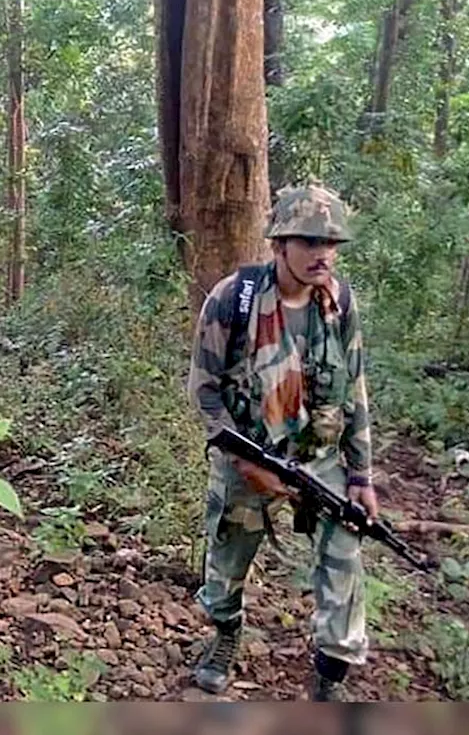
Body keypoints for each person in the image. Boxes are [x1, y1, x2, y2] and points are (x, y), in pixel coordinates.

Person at [185, 183, 377, 702]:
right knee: (227, 561)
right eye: (310, 242)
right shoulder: (234, 299)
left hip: (319, 459)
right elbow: (203, 392)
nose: (323, 255)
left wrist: (361, 476)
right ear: (278, 245)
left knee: (344, 555)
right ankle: (224, 635)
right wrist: (244, 463)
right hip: (248, 453)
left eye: (331, 244)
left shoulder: (340, 304)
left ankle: (331, 673)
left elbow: (355, 389)